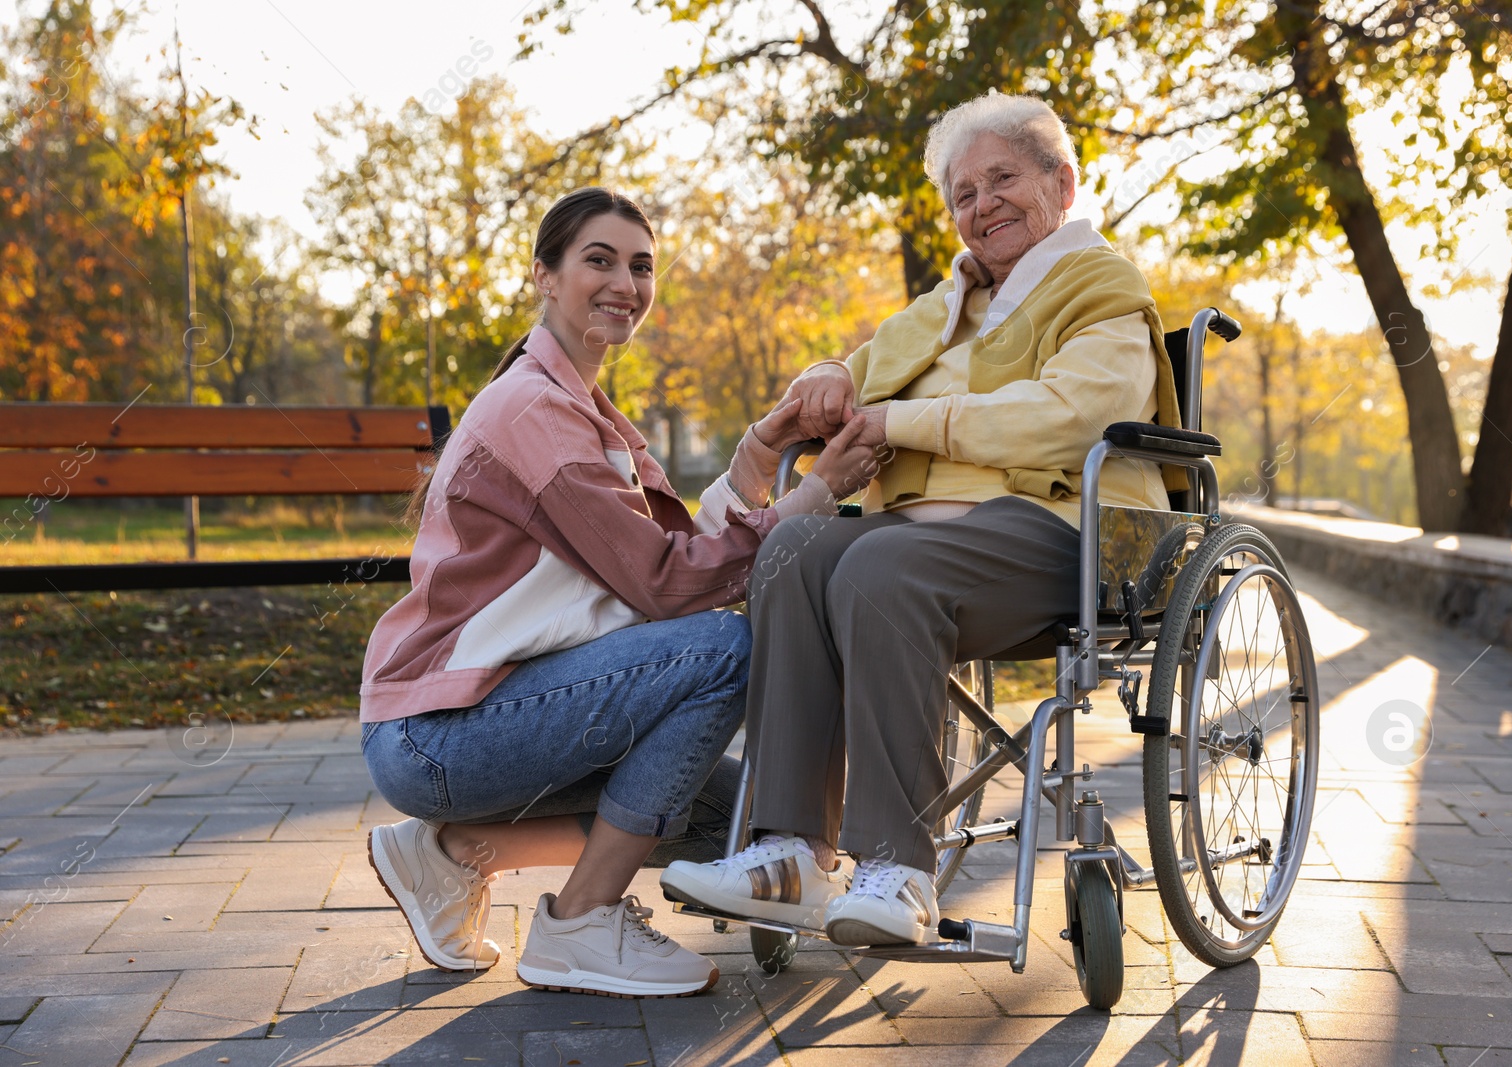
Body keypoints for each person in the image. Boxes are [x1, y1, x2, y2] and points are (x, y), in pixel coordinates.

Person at [661, 93, 1187, 946]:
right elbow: (854, 368)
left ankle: (899, 867)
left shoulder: (1102, 288)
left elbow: (1073, 414)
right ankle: (791, 851)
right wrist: (828, 373)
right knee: (793, 546)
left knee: (881, 565)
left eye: (1002, 179)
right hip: (920, 543)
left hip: (1058, 533)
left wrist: (904, 422)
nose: (983, 207)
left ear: (1063, 183)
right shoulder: (943, 306)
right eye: (964, 195)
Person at [359, 187, 877, 998]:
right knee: (724, 652)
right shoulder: (536, 412)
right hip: (441, 731)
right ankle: (580, 922)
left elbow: (654, 559)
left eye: (641, 267)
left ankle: (456, 852)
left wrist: (752, 453)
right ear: (545, 275)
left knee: (728, 815)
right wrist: (815, 495)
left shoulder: (581, 410)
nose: (624, 283)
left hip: (491, 717)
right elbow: (667, 586)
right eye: (598, 260)